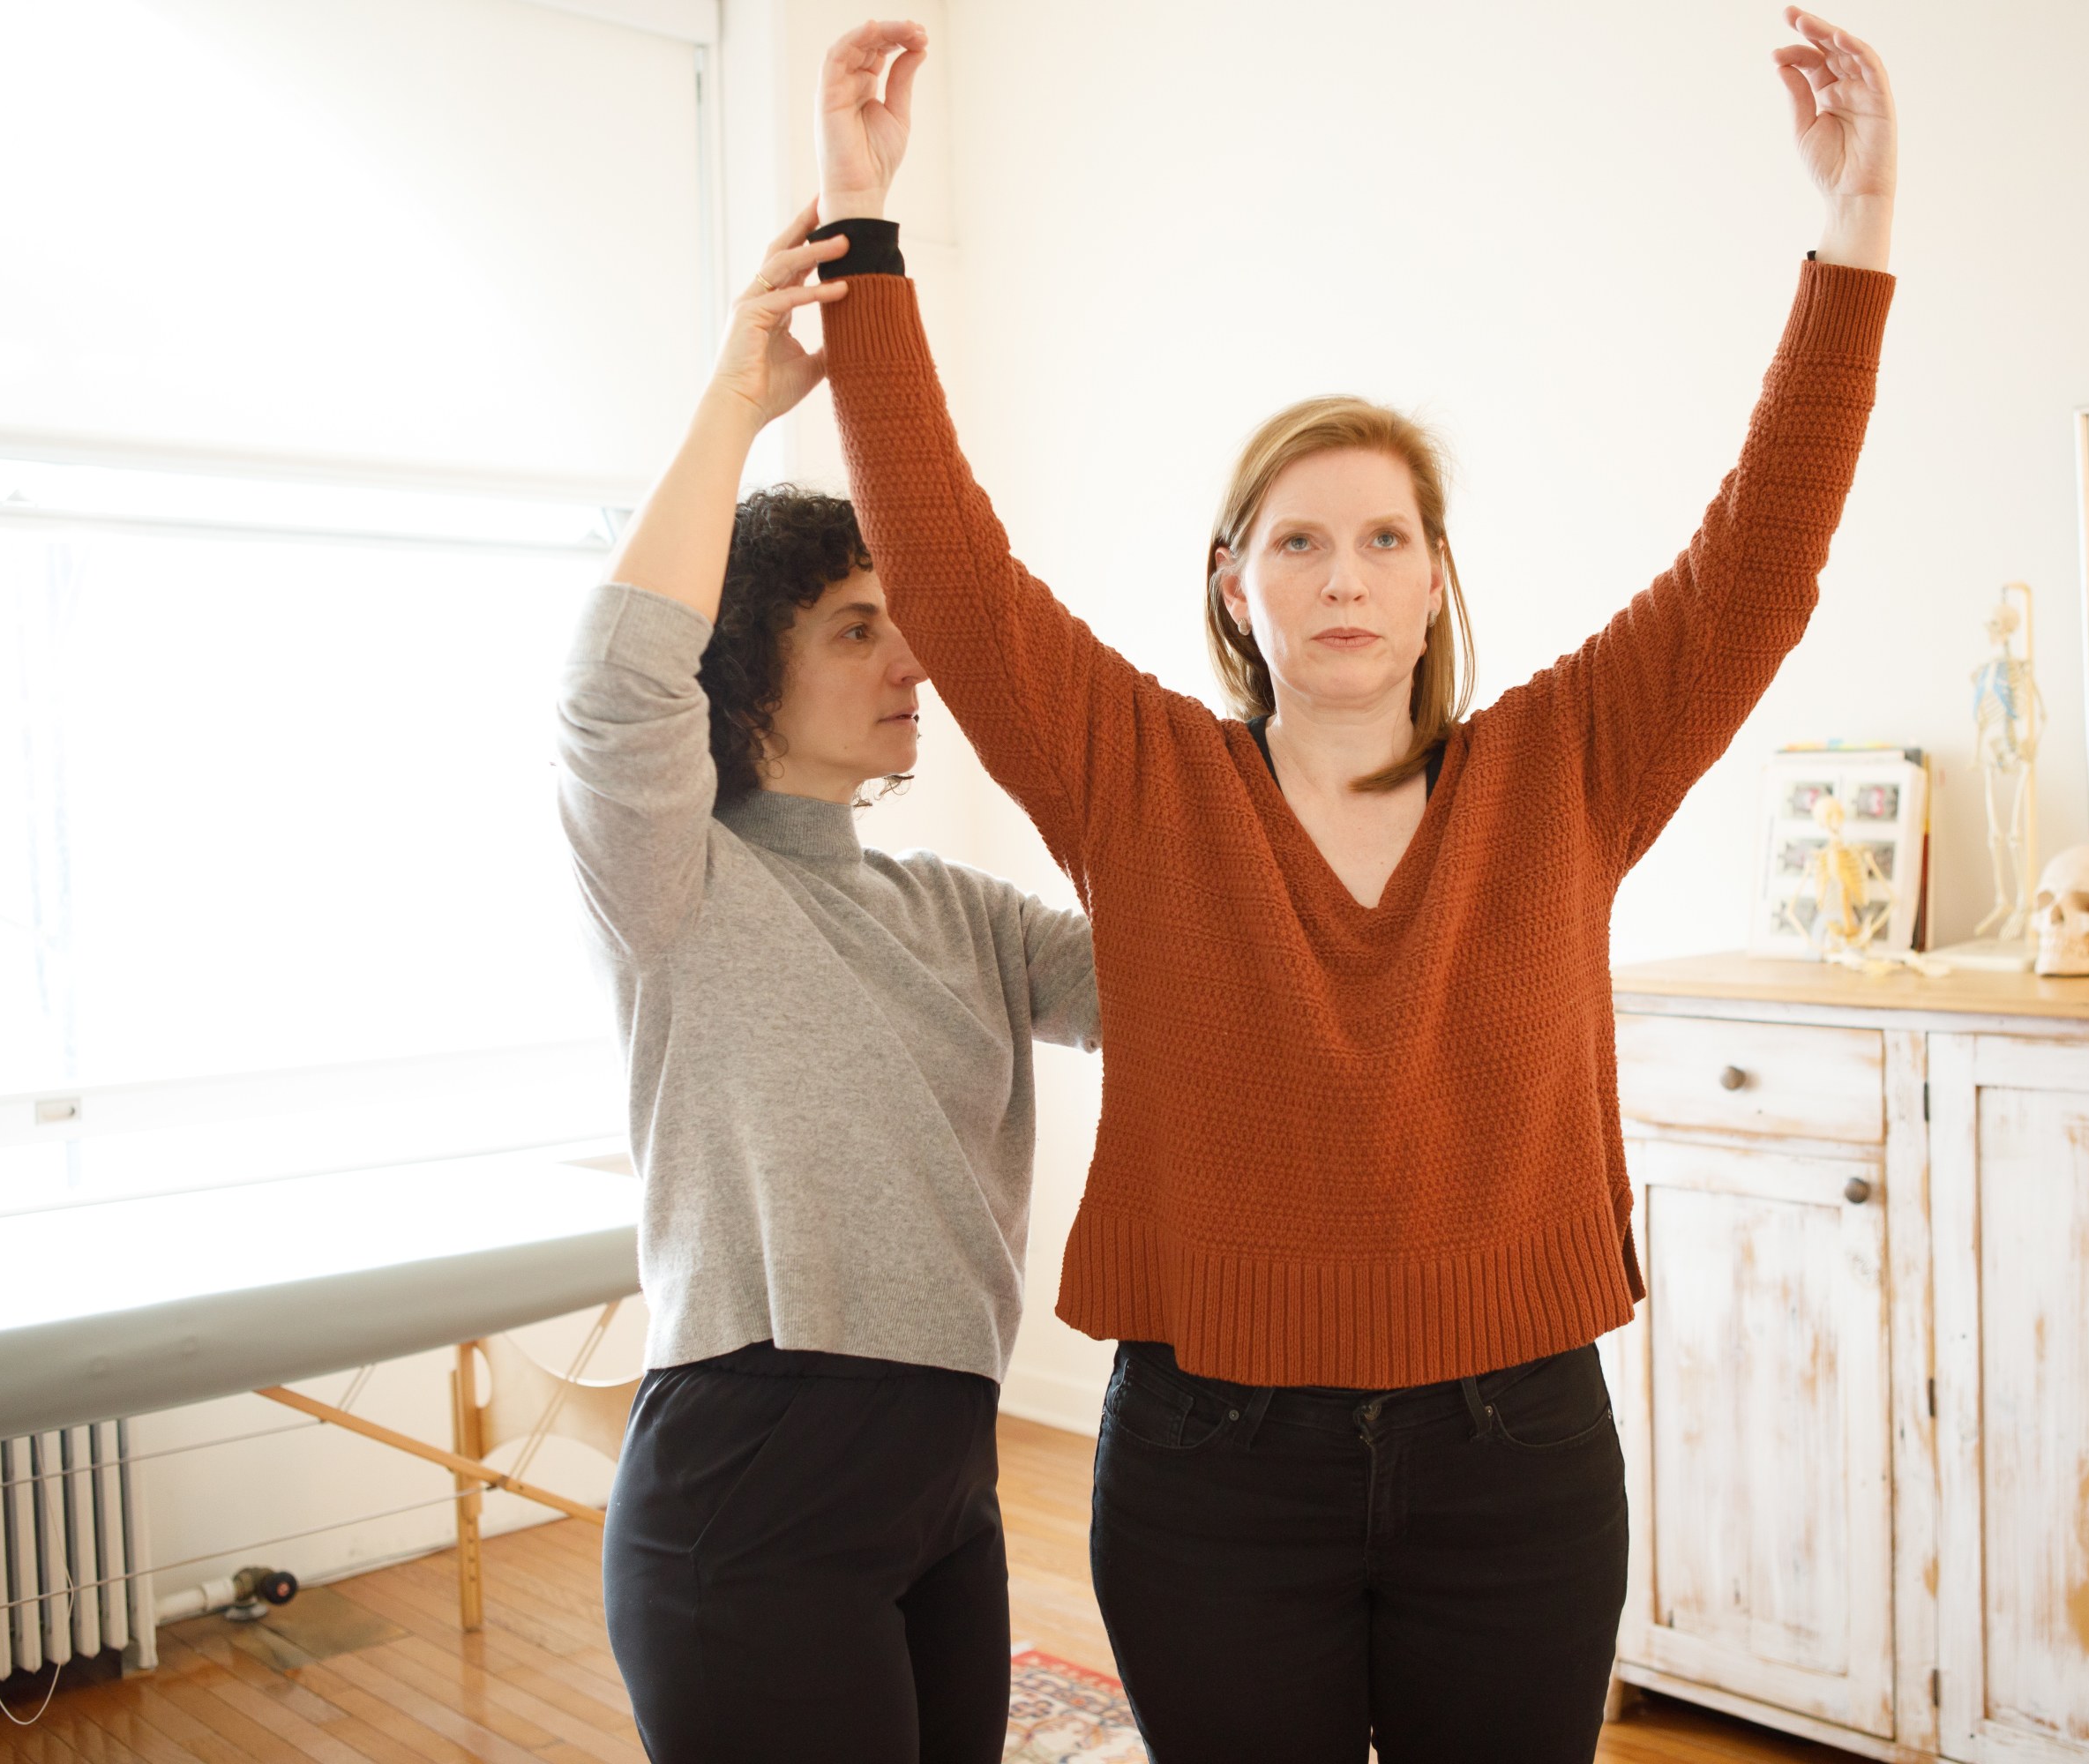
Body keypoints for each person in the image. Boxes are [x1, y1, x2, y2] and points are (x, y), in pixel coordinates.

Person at [812, 11, 1898, 1760]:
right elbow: (943, 558)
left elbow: (1758, 560)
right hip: (1211, 1475)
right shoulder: (1141, 776)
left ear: (1437, 576)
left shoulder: (1567, 764)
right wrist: (861, 223)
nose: (1344, 573)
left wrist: (1854, 230)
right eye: (1297, 538)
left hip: (1519, 1464)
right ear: (1234, 583)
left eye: (1385, 534)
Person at [558, 201, 1101, 1763]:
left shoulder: (963, 916)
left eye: (903, 625)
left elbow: (1178, 986)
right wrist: (739, 397)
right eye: (859, 629)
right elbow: (612, 688)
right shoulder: (681, 888)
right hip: (752, 1488)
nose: (909, 662)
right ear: (743, 673)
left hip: (946, 1479)